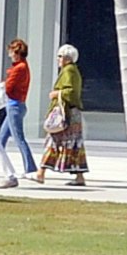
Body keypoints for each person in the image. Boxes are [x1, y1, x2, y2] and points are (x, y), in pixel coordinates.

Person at [0, 35, 37, 186]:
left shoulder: (20, 68)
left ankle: (31, 169)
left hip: (14, 105)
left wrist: (1, 87)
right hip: (14, 105)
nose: (9, 54)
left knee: (18, 138)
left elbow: (10, 87)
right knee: (0, 139)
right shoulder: (22, 67)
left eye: (11, 52)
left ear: (17, 53)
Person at [41, 41, 89, 186]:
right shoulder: (72, 70)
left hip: (68, 114)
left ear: (68, 58)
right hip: (72, 113)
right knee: (74, 144)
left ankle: (40, 173)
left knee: (53, 140)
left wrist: (56, 93)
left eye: (60, 56)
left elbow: (71, 92)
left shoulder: (69, 71)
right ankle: (79, 176)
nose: (58, 59)